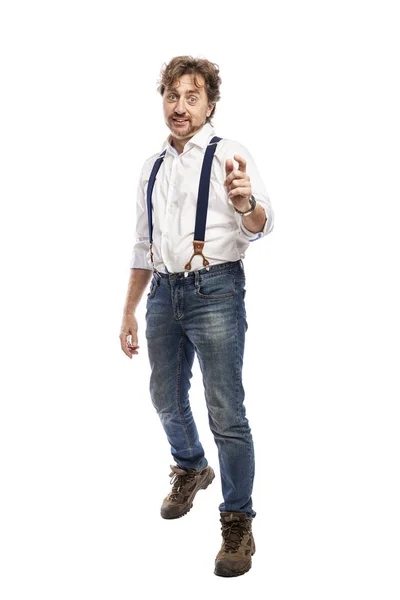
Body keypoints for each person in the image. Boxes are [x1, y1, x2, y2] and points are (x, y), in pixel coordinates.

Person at [120, 55, 274, 577]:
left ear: (209, 104)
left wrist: (246, 202)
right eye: (171, 96)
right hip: (163, 293)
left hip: (216, 290)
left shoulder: (230, 154)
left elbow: (260, 223)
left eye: (191, 97)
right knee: (164, 396)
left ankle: (237, 520)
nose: (179, 106)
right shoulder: (153, 167)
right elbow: (144, 246)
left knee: (226, 410)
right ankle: (190, 466)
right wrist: (129, 312)